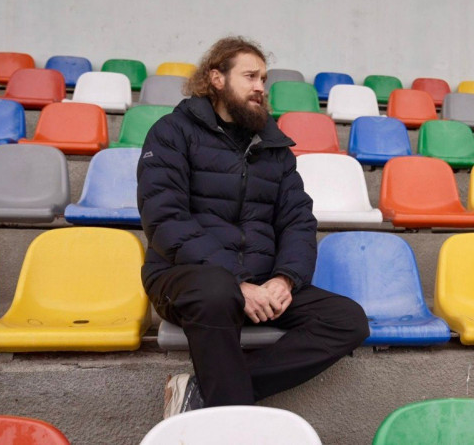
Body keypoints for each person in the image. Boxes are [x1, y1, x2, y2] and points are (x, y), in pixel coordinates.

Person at [137, 36, 369, 417]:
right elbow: (165, 220)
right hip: (184, 279)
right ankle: (234, 418)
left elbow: (298, 220)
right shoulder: (171, 133)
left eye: (263, 78)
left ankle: (204, 391)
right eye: (250, 76)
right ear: (216, 78)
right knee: (216, 290)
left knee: (347, 321)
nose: (260, 86)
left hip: (259, 283)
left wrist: (284, 279)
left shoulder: (273, 146)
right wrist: (237, 281)